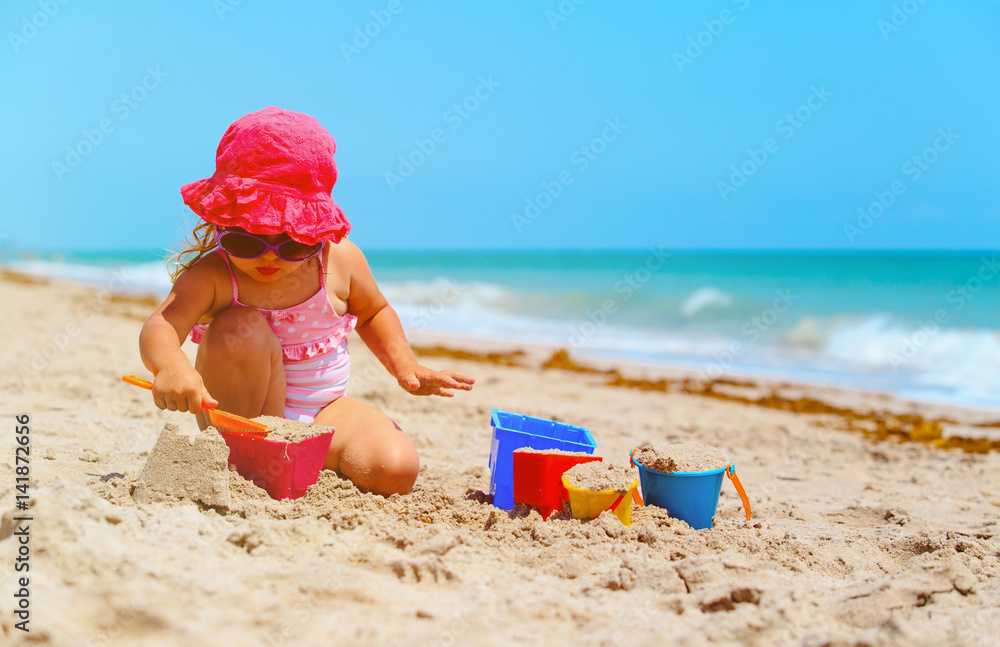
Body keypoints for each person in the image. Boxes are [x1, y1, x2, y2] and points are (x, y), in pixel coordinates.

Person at [139, 106, 474, 496]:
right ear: (221, 221)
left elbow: (374, 311)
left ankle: (296, 457)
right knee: (240, 326)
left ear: (317, 231)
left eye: (294, 243)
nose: (270, 256)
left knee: (396, 468)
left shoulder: (339, 261)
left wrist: (406, 366)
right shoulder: (215, 274)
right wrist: (173, 367)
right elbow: (161, 325)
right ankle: (243, 459)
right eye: (245, 239)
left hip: (323, 412)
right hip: (245, 417)